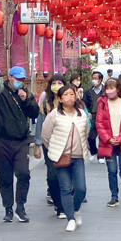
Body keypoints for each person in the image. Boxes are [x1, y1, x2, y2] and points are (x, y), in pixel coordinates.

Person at [0, 64, 39, 223]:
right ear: (10, 77)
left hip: (21, 141)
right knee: (4, 176)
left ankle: (21, 206)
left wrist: (25, 101)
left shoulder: (26, 94)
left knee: (23, 173)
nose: (20, 82)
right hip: (2, 141)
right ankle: (8, 208)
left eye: (22, 79)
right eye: (17, 78)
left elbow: (34, 113)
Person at [41, 85, 90, 232]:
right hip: (60, 157)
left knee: (81, 188)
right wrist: (54, 149)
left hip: (78, 156)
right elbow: (45, 135)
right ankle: (71, 219)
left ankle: (76, 209)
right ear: (60, 99)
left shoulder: (81, 114)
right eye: (66, 94)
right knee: (66, 188)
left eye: (72, 94)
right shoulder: (54, 115)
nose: (69, 97)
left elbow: (86, 132)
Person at [96, 77, 121, 206]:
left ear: (118, 89)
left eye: (112, 88)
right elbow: (99, 123)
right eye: (107, 88)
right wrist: (108, 138)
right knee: (112, 170)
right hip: (108, 143)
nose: (109, 90)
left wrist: (120, 138)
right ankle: (114, 196)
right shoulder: (102, 103)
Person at [34, 74, 66, 218]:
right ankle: (57, 203)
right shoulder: (46, 103)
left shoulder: (70, 101)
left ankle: (65, 204)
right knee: (52, 176)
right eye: (54, 82)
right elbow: (40, 124)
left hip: (67, 144)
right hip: (49, 144)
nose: (57, 85)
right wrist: (37, 144)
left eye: (60, 82)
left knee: (66, 174)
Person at [83, 71, 106, 163]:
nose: (94, 80)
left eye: (96, 78)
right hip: (92, 115)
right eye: (93, 78)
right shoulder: (88, 91)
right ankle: (94, 151)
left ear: (100, 79)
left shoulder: (105, 90)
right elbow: (85, 103)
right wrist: (87, 112)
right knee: (90, 136)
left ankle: (101, 155)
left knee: (102, 136)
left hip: (103, 115)